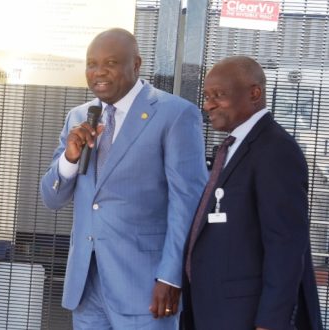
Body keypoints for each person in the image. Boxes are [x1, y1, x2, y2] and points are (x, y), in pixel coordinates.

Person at [40, 28, 207, 329]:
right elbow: (51, 198)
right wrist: (69, 159)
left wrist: (171, 276)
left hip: (145, 288)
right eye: (92, 63)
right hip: (86, 287)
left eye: (111, 63)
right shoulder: (79, 116)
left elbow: (188, 204)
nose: (98, 72)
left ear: (136, 64)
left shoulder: (174, 114)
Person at [181, 56, 323, 329]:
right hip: (216, 310)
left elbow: (286, 245)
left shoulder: (275, 150)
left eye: (219, 95)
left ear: (254, 93)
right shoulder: (233, 146)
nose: (208, 104)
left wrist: (271, 322)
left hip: (247, 316)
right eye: (207, 96)